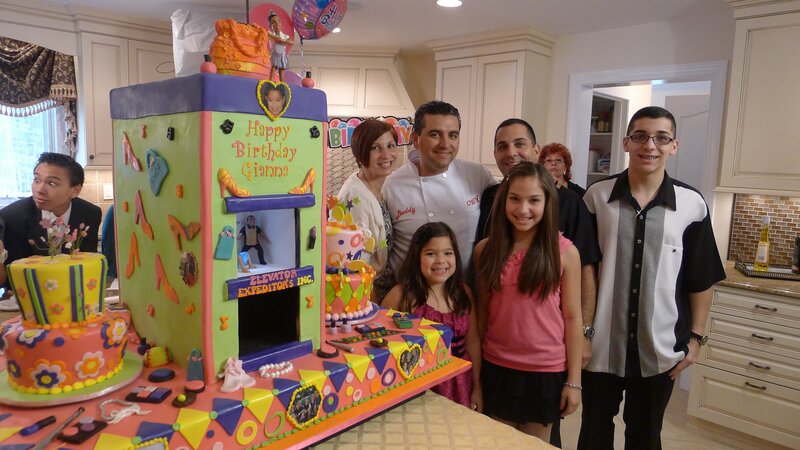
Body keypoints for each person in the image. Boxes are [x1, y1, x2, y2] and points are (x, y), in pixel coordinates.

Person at [578, 106, 725, 450]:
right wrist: (581, 333)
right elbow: (584, 271)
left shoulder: (692, 204)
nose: (650, 145)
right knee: (594, 433)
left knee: (645, 437)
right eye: (641, 136)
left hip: (659, 349)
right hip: (600, 346)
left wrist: (696, 339)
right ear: (626, 142)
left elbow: (701, 278)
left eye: (661, 138)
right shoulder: (596, 197)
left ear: (674, 145)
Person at [473, 162, 582, 441]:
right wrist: (475, 376)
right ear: (503, 200)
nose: (523, 209)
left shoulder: (565, 253)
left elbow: (572, 318)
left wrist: (574, 381)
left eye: (534, 200)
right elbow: (481, 314)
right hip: (496, 367)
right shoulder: (486, 251)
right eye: (515, 199)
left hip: (545, 372)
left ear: (548, 203)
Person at [383, 100, 495, 273]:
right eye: (435, 135)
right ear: (416, 139)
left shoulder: (478, 175)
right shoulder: (390, 185)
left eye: (453, 135)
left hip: (466, 287)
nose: (445, 144)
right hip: (409, 288)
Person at [382, 222, 481, 410]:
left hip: (460, 383)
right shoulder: (401, 296)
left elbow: (473, 342)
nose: (440, 260)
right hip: (418, 388)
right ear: (416, 257)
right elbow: (381, 345)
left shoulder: (464, 293)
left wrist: (477, 387)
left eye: (448, 253)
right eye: (430, 254)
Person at [1, 152, 101, 271]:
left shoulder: (90, 214)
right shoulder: (13, 217)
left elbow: (89, 263)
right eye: (37, 180)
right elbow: (13, 271)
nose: (39, 189)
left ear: (75, 191)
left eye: (52, 183)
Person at [337, 119, 398, 301]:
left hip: (385, 288)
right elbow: (357, 264)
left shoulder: (378, 186)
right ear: (360, 153)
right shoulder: (355, 197)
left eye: (390, 145)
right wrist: (371, 307)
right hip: (368, 293)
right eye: (375, 148)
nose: (386, 155)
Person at [267, 12, 293, 83]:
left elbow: (291, 42)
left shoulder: (284, 36)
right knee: (274, 67)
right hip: (275, 54)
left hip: (282, 54)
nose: (277, 24)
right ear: (271, 25)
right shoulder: (271, 34)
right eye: (273, 22)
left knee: (282, 69)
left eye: (278, 21)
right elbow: (267, 33)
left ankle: (282, 83)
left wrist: (281, 40)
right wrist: (275, 37)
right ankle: (270, 81)